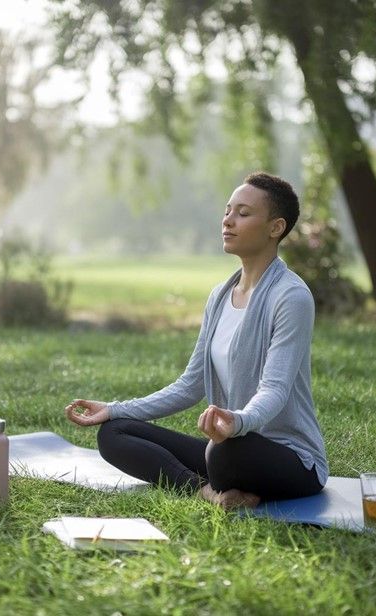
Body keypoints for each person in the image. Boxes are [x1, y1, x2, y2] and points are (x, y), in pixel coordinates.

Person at [65, 172, 328, 509]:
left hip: (290, 460)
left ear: (275, 227)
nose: (228, 221)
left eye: (243, 214)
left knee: (222, 453)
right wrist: (115, 409)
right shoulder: (220, 297)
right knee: (114, 433)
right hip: (228, 443)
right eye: (227, 211)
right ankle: (208, 492)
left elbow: (274, 389)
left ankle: (219, 479)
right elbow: (190, 386)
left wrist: (237, 422)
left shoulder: (290, 297)